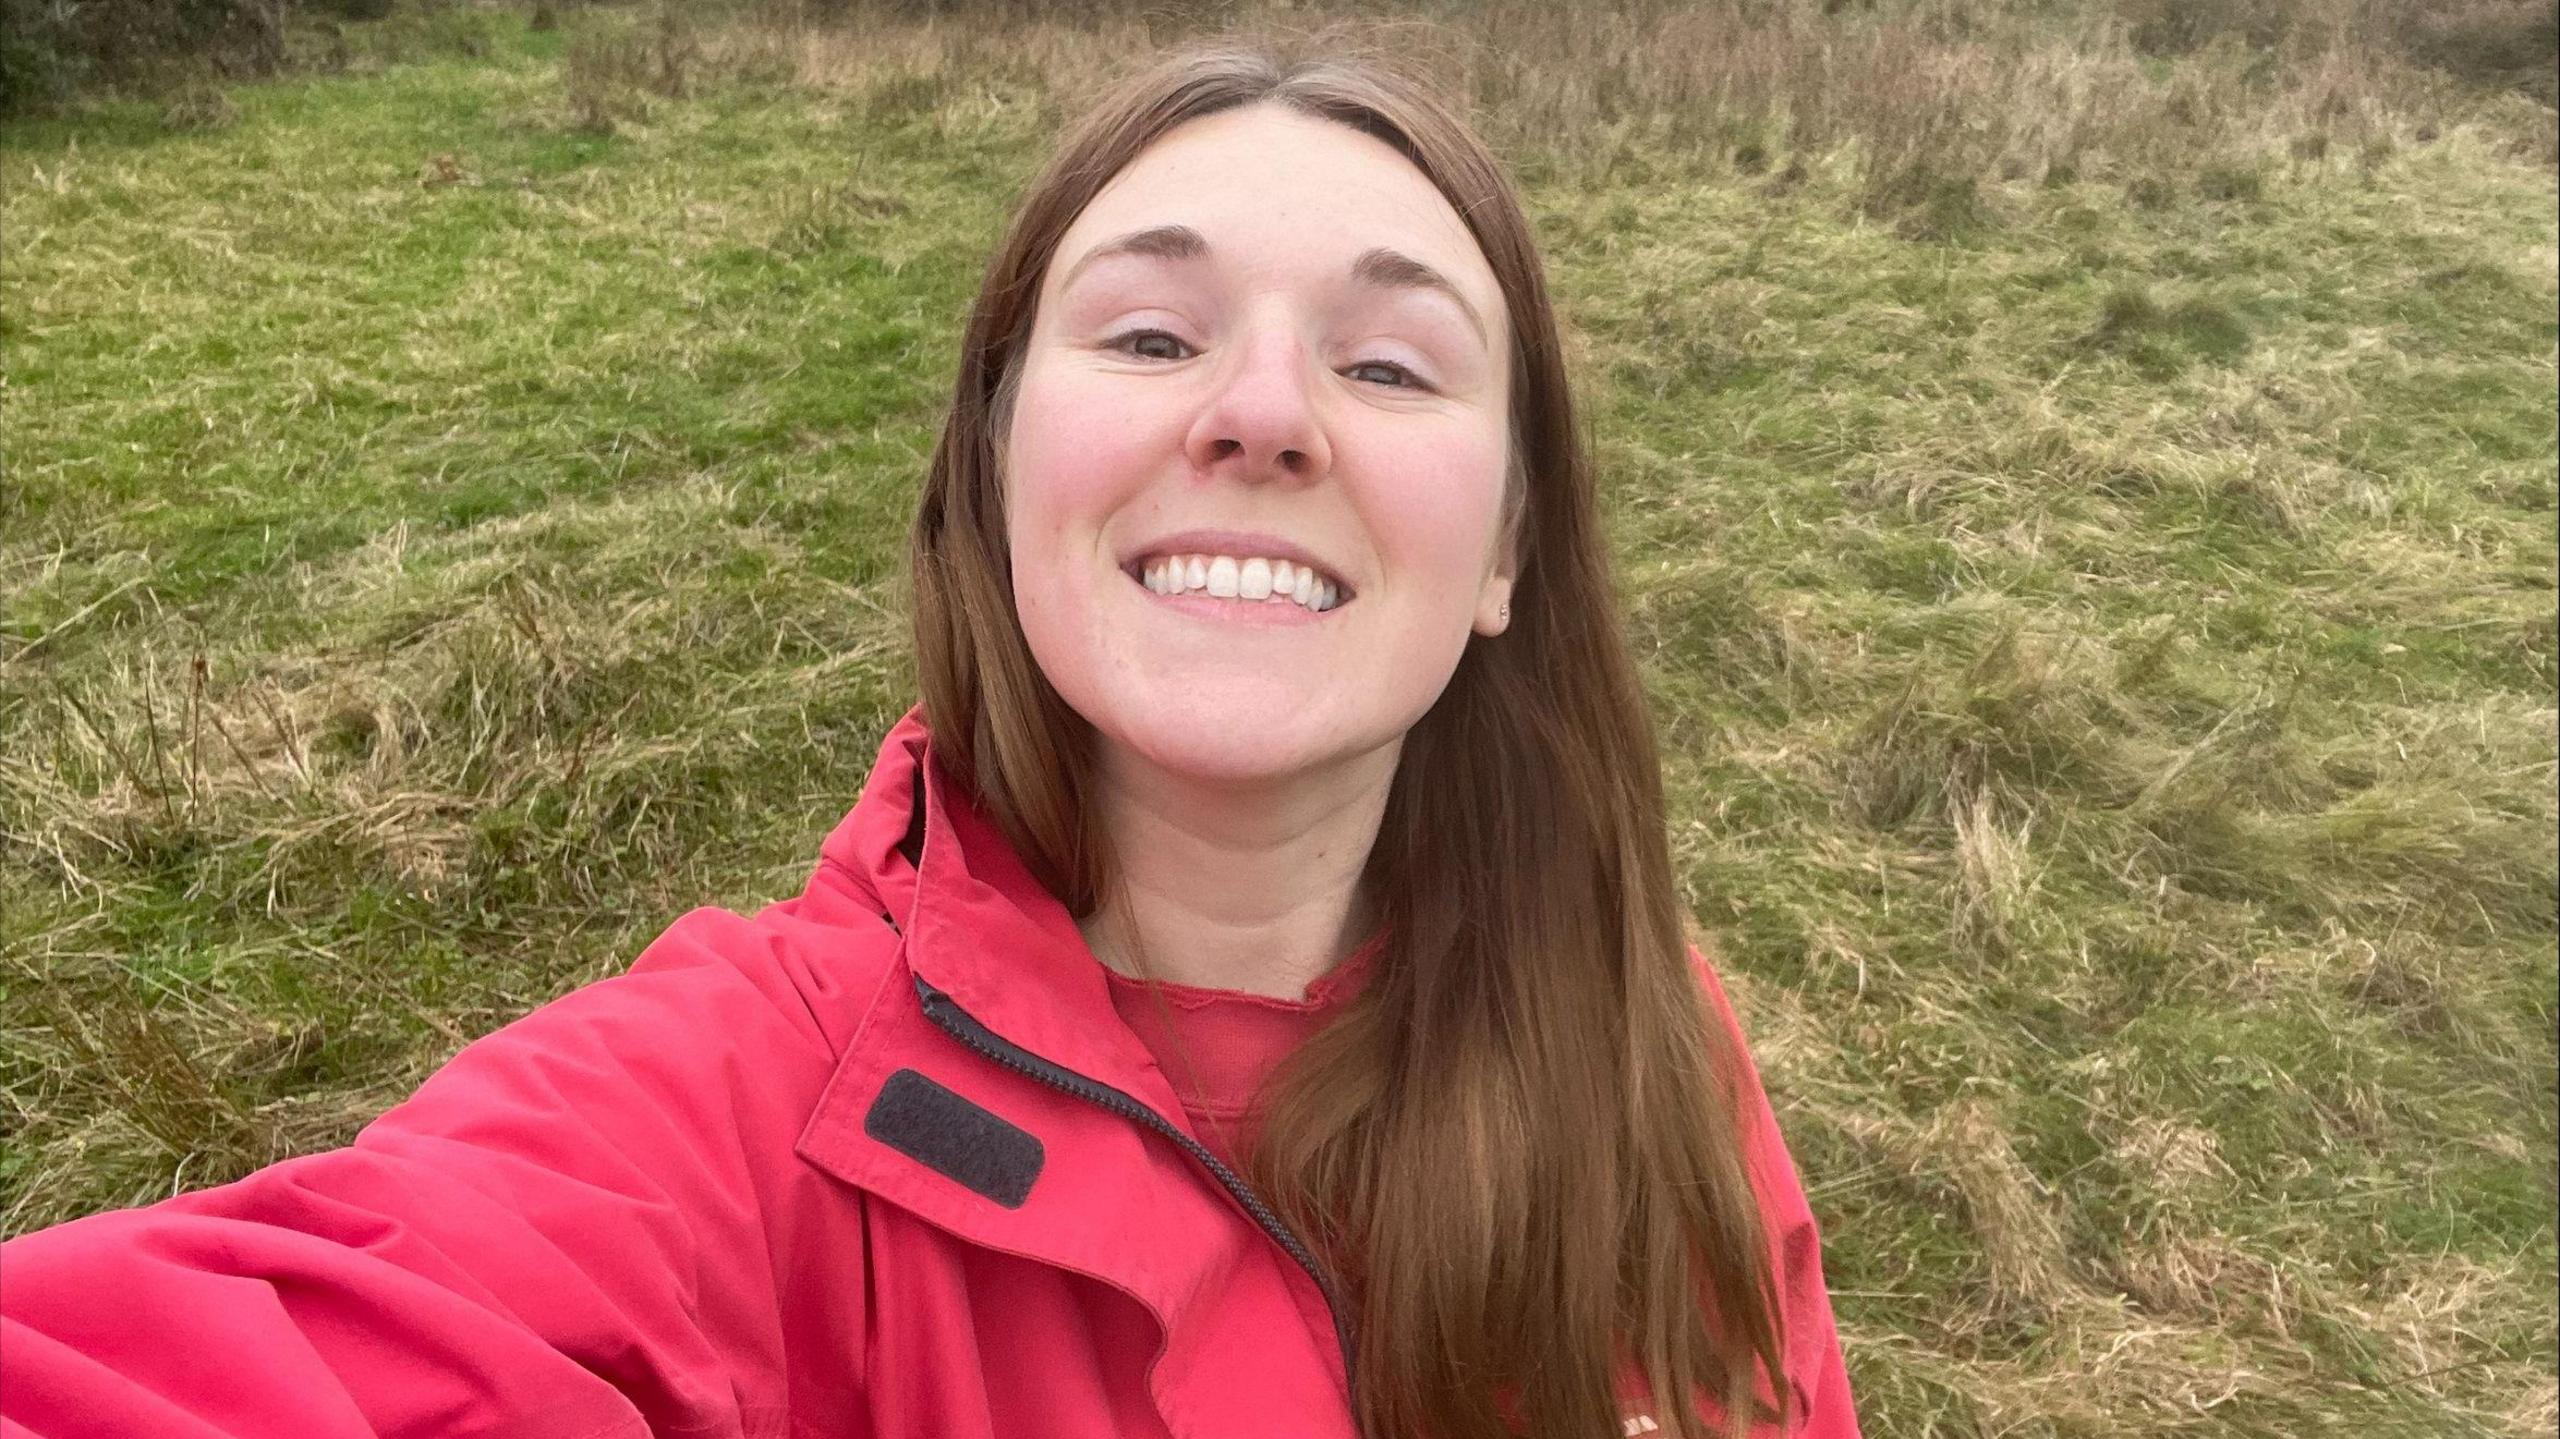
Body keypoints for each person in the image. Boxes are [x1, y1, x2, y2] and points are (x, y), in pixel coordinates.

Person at [0, 32, 1862, 1439]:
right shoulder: (736, 1112)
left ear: (1508, 553)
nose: (1265, 412)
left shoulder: (1646, 1035)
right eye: (1148, 335)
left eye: (1388, 364)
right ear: (993, 474)